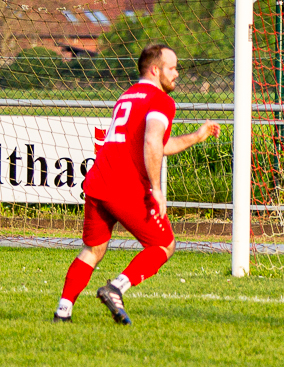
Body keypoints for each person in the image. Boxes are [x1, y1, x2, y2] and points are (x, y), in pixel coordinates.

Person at [53, 44, 221, 325]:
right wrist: (156, 188)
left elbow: (158, 145)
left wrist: (196, 136)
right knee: (164, 245)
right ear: (155, 70)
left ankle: (63, 311)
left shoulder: (127, 95)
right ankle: (116, 288)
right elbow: (152, 141)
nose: (176, 74)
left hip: (98, 181)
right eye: (172, 68)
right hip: (125, 186)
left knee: (93, 250)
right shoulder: (161, 100)